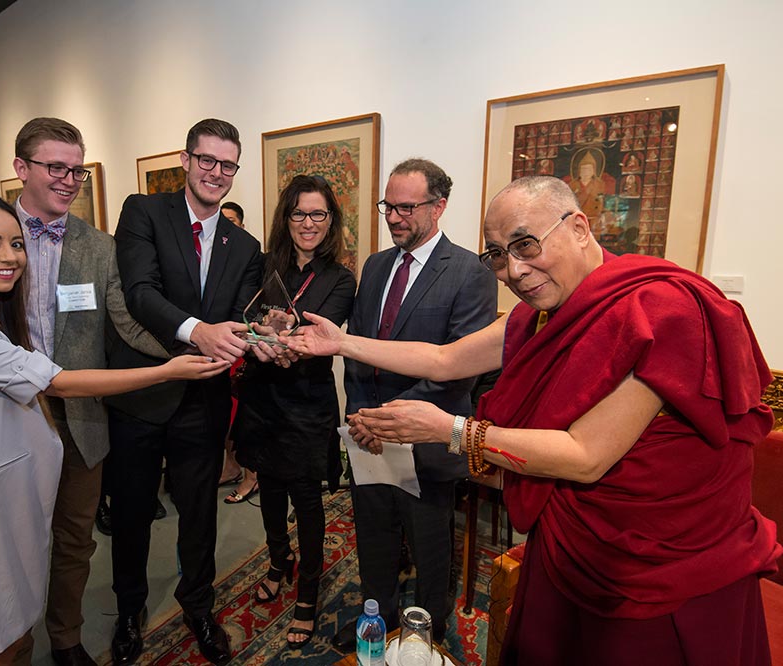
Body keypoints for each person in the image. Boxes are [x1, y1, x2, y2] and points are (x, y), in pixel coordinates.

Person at [292, 175, 781, 665]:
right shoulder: (533, 317)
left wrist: (448, 429)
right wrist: (342, 342)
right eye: (499, 255)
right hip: (570, 533)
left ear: (580, 227)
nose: (515, 271)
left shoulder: (660, 311)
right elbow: (444, 360)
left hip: (655, 559)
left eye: (526, 244)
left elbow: (587, 456)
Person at [0, 191, 227, 666]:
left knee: (15, 609)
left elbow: (125, 320)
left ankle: (61, 638)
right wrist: (170, 370)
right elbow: (57, 381)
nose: (9, 257)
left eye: (15, 244)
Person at [10, 117, 168, 666]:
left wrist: (193, 350)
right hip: (7, 414)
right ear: (20, 169)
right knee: (12, 540)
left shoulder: (100, 247)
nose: (69, 179)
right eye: (56, 167)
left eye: (76, 169)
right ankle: (10, 645)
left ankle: (66, 636)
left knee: (76, 538)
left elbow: (126, 322)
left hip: (79, 415)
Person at [106, 118, 262, 666]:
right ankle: (129, 612)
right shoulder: (142, 212)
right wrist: (199, 332)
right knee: (130, 513)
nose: (217, 173)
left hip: (203, 399)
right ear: (186, 160)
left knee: (199, 512)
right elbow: (140, 292)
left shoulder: (244, 244)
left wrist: (263, 334)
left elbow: (242, 317)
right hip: (143, 397)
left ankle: (198, 604)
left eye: (228, 165)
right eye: (207, 160)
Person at [328, 158, 497, 652]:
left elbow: (459, 369)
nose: (394, 217)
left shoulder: (470, 272)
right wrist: (360, 416)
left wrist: (389, 420)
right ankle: (373, 618)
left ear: (439, 206)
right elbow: (356, 348)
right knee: (374, 537)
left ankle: (429, 635)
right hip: (367, 437)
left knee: (430, 546)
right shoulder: (377, 266)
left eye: (406, 207)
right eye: (388, 206)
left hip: (424, 438)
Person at [232, 175, 355, 648]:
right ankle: (279, 562)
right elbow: (242, 319)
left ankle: (307, 594)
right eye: (299, 214)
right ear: (286, 218)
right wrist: (263, 334)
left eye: (318, 214)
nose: (308, 223)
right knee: (268, 486)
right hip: (264, 396)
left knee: (306, 500)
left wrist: (283, 332)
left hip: (307, 404)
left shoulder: (341, 277)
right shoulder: (264, 267)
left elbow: (323, 334)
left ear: (331, 221)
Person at [216, 200, 260, 504]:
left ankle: (251, 475)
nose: (227, 226)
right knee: (223, 414)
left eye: (233, 221)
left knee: (241, 414)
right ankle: (230, 466)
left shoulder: (252, 257)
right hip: (215, 345)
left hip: (242, 346)